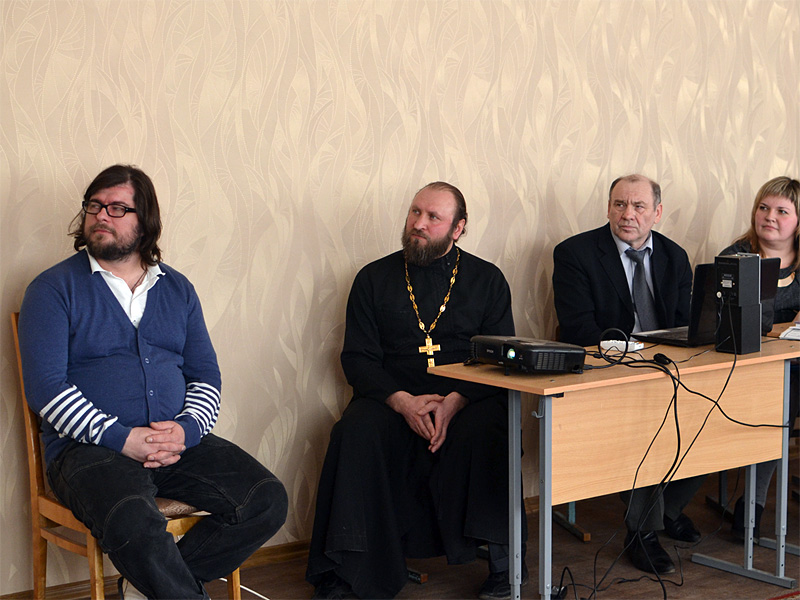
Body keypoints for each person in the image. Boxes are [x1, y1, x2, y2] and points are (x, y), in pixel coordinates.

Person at [17, 165, 288, 600]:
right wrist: (122, 438)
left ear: (145, 222)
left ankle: (143, 587)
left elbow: (205, 375)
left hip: (176, 444)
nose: (100, 216)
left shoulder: (178, 289)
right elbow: (46, 388)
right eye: (94, 206)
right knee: (134, 521)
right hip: (88, 451)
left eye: (117, 208)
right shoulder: (52, 289)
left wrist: (185, 430)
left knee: (266, 499)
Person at [306, 182, 523, 600]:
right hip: (392, 397)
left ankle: (505, 567)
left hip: (468, 396)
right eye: (415, 212)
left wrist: (455, 400)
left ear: (458, 228)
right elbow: (358, 358)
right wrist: (402, 402)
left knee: (491, 430)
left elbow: (499, 356)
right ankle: (347, 575)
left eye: (433, 217)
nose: (418, 224)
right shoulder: (373, 278)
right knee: (354, 431)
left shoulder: (487, 280)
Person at [552, 174, 704, 575]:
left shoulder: (674, 256)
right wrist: (632, 357)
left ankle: (668, 509)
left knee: (714, 410)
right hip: (608, 371)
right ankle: (643, 532)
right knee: (646, 425)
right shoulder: (575, 254)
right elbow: (578, 328)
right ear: (608, 208)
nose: (627, 214)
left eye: (638, 206)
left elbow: (686, 325)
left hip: (667, 368)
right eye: (619, 204)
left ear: (657, 212)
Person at [719, 176, 800, 540]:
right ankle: (751, 508)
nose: (769, 216)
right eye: (764, 208)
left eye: (782, 211)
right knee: (782, 403)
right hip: (751, 368)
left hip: (794, 364)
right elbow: (739, 321)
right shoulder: (737, 257)